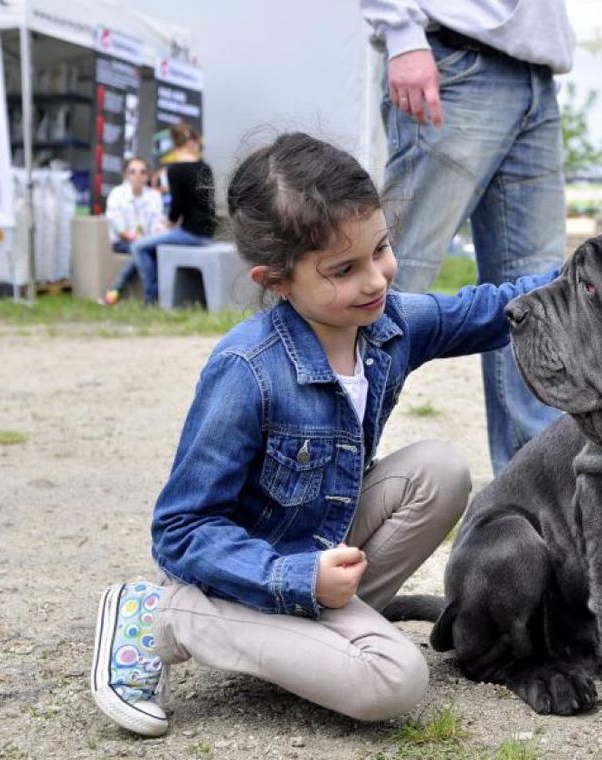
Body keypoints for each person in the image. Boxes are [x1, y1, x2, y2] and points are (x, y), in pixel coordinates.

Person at [88, 133, 559, 736]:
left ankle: (307, 642)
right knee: (396, 679)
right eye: (344, 270)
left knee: (440, 470)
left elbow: (487, 308)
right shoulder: (248, 370)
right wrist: (296, 579)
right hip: (247, 572)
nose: (375, 281)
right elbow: (181, 531)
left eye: (381, 249)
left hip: (317, 545)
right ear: (277, 280)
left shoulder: (389, 324)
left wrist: (596, 270)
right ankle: (164, 617)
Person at [361, 0, 575, 474]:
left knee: (537, 297)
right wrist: (400, 31)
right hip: (452, 58)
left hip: (536, 71)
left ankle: (534, 498)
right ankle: (306, 464)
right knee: (381, 278)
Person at [128, 124, 217, 305]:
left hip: (191, 234)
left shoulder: (175, 170)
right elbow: (206, 204)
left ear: (175, 144)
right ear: (192, 142)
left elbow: (176, 208)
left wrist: (166, 223)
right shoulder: (205, 167)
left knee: (138, 247)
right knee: (154, 244)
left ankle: (152, 298)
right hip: (208, 233)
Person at [101, 157, 166, 305]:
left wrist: (154, 235)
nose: (138, 175)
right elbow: (118, 227)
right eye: (133, 172)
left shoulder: (154, 196)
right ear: (125, 174)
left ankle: (115, 291)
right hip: (122, 242)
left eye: (142, 172)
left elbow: (157, 224)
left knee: (142, 250)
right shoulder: (117, 194)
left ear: (148, 175)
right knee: (141, 250)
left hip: (147, 241)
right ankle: (151, 298)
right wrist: (139, 240)